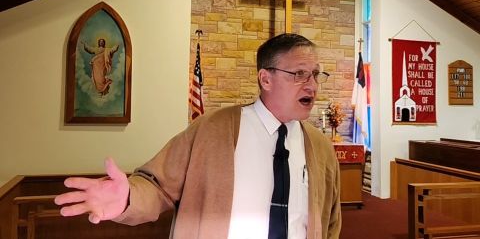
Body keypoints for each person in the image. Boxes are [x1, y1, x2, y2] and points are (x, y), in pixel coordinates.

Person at [56, 33, 342, 239]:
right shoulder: (212, 129)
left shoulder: (320, 147)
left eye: (316, 74)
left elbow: (330, 221)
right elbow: (158, 186)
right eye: (300, 74)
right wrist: (129, 198)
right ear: (265, 79)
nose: (313, 85)